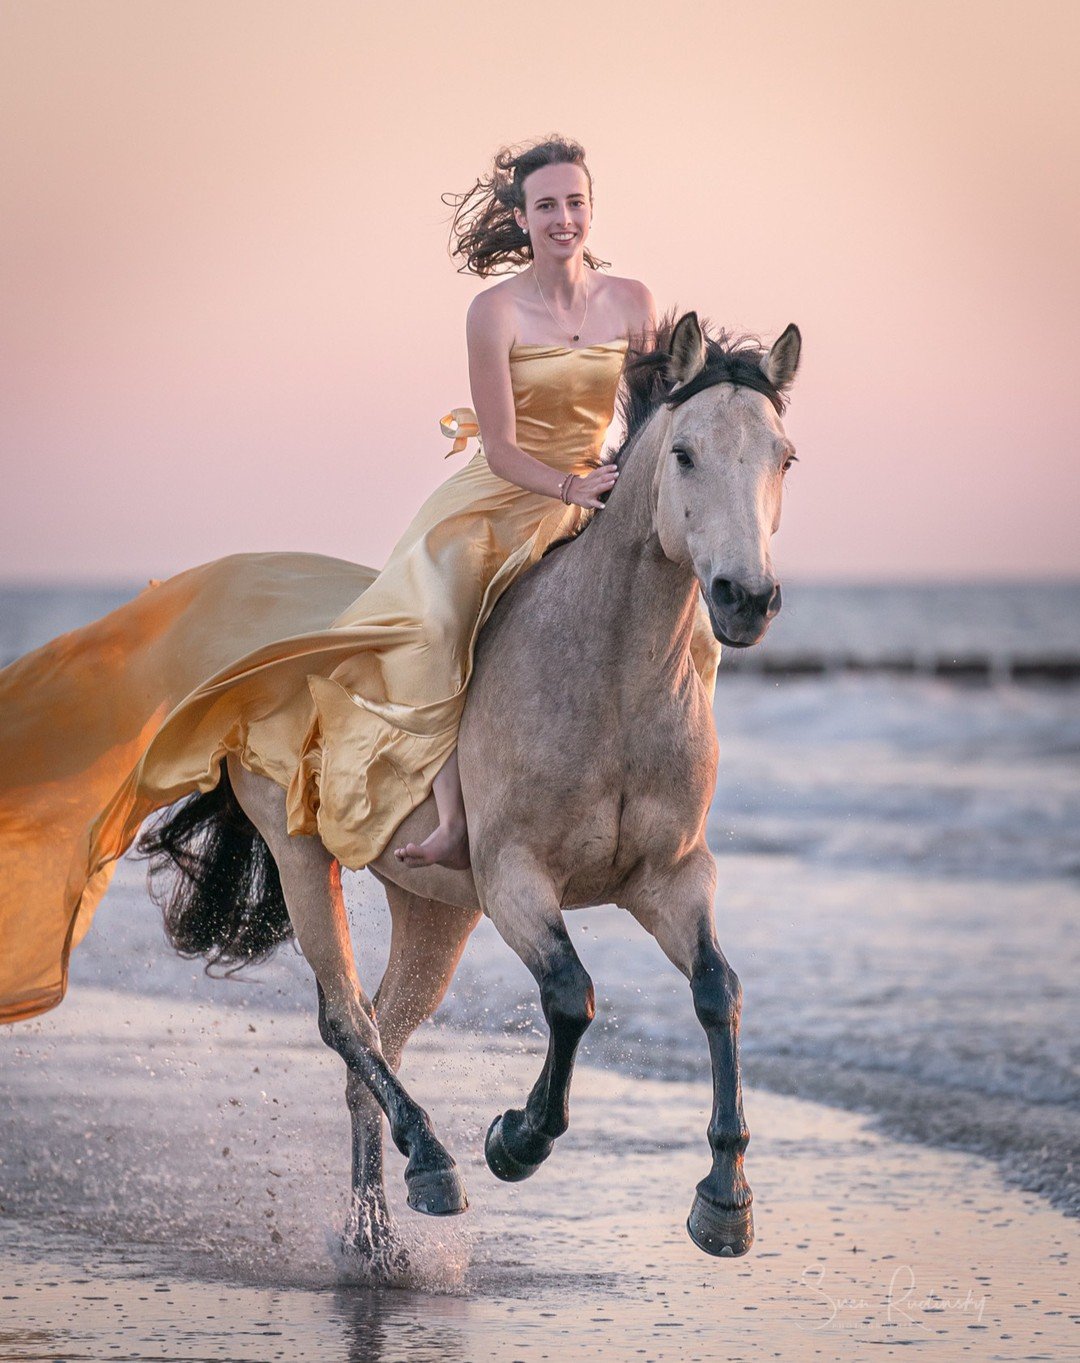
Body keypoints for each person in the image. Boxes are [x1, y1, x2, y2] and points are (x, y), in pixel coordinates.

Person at [0, 135, 689, 1025]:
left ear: (593, 207)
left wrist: (624, 498)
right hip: (505, 501)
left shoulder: (634, 302)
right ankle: (449, 810)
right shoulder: (494, 312)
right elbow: (506, 445)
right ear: (521, 221)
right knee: (441, 625)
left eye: (576, 202)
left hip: (594, 505)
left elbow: (655, 415)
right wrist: (571, 486)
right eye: (547, 206)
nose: (565, 219)